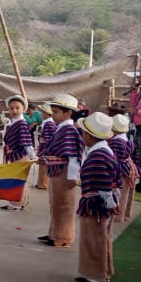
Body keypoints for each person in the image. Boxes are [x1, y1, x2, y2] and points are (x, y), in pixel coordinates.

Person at [73, 112, 119, 282]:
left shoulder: (98, 156)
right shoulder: (104, 151)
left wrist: (110, 203)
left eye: (84, 133)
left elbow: (103, 185)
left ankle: (94, 275)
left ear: (90, 136)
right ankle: (104, 271)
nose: (82, 135)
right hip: (100, 202)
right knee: (101, 237)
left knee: (93, 239)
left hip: (95, 205)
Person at [38, 94, 83, 248]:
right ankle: (54, 233)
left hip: (64, 172)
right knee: (56, 203)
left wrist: (72, 177)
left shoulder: (69, 130)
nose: (53, 115)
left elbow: (73, 156)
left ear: (68, 113)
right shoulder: (61, 128)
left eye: (56, 112)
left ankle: (63, 237)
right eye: (53, 111)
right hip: (57, 171)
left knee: (64, 204)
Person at [2, 95, 37, 211]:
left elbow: (26, 143)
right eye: (11, 108)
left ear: (23, 109)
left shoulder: (21, 124)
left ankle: (16, 204)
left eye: (17, 108)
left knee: (18, 180)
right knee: (17, 179)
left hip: (20, 156)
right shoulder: (14, 123)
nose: (14, 110)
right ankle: (18, 202)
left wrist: (32, 156)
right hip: (15, 156)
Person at [109, 114, 139, 222]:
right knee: (126, 192)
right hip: (128, 168)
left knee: (119, 192)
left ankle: (117, 216)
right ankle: (125, 214)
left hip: (120, 169)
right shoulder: (127, 140)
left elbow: (115, 157)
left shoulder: (116, 142)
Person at [35, 103, 56, 189]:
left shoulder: (49, 124)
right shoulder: (48, 122)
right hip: (45, 147)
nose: (41, 114)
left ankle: (43, 184)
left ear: (47, 113)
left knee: (44, 167)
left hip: (46, 149)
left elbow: (48, 139)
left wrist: (43, 150)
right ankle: (41, 183)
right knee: (42, 166)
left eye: (42, 112)